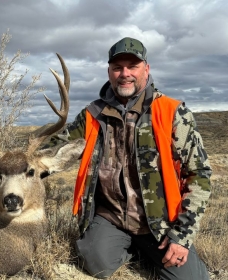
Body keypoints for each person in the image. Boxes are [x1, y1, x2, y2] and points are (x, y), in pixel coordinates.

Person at [51, 37, 212, 279]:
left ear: (146, 69)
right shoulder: (92, 115)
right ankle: (127, 248)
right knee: (95, 262)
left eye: (132, 66)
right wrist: (19, 158)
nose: (124, 74)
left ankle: (152, 249)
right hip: (111, 218)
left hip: (158, 224)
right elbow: (55, 150)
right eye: (117, 68)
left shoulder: (172, 113)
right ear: (109, 71)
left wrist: (181, 237)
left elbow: (199, 175)